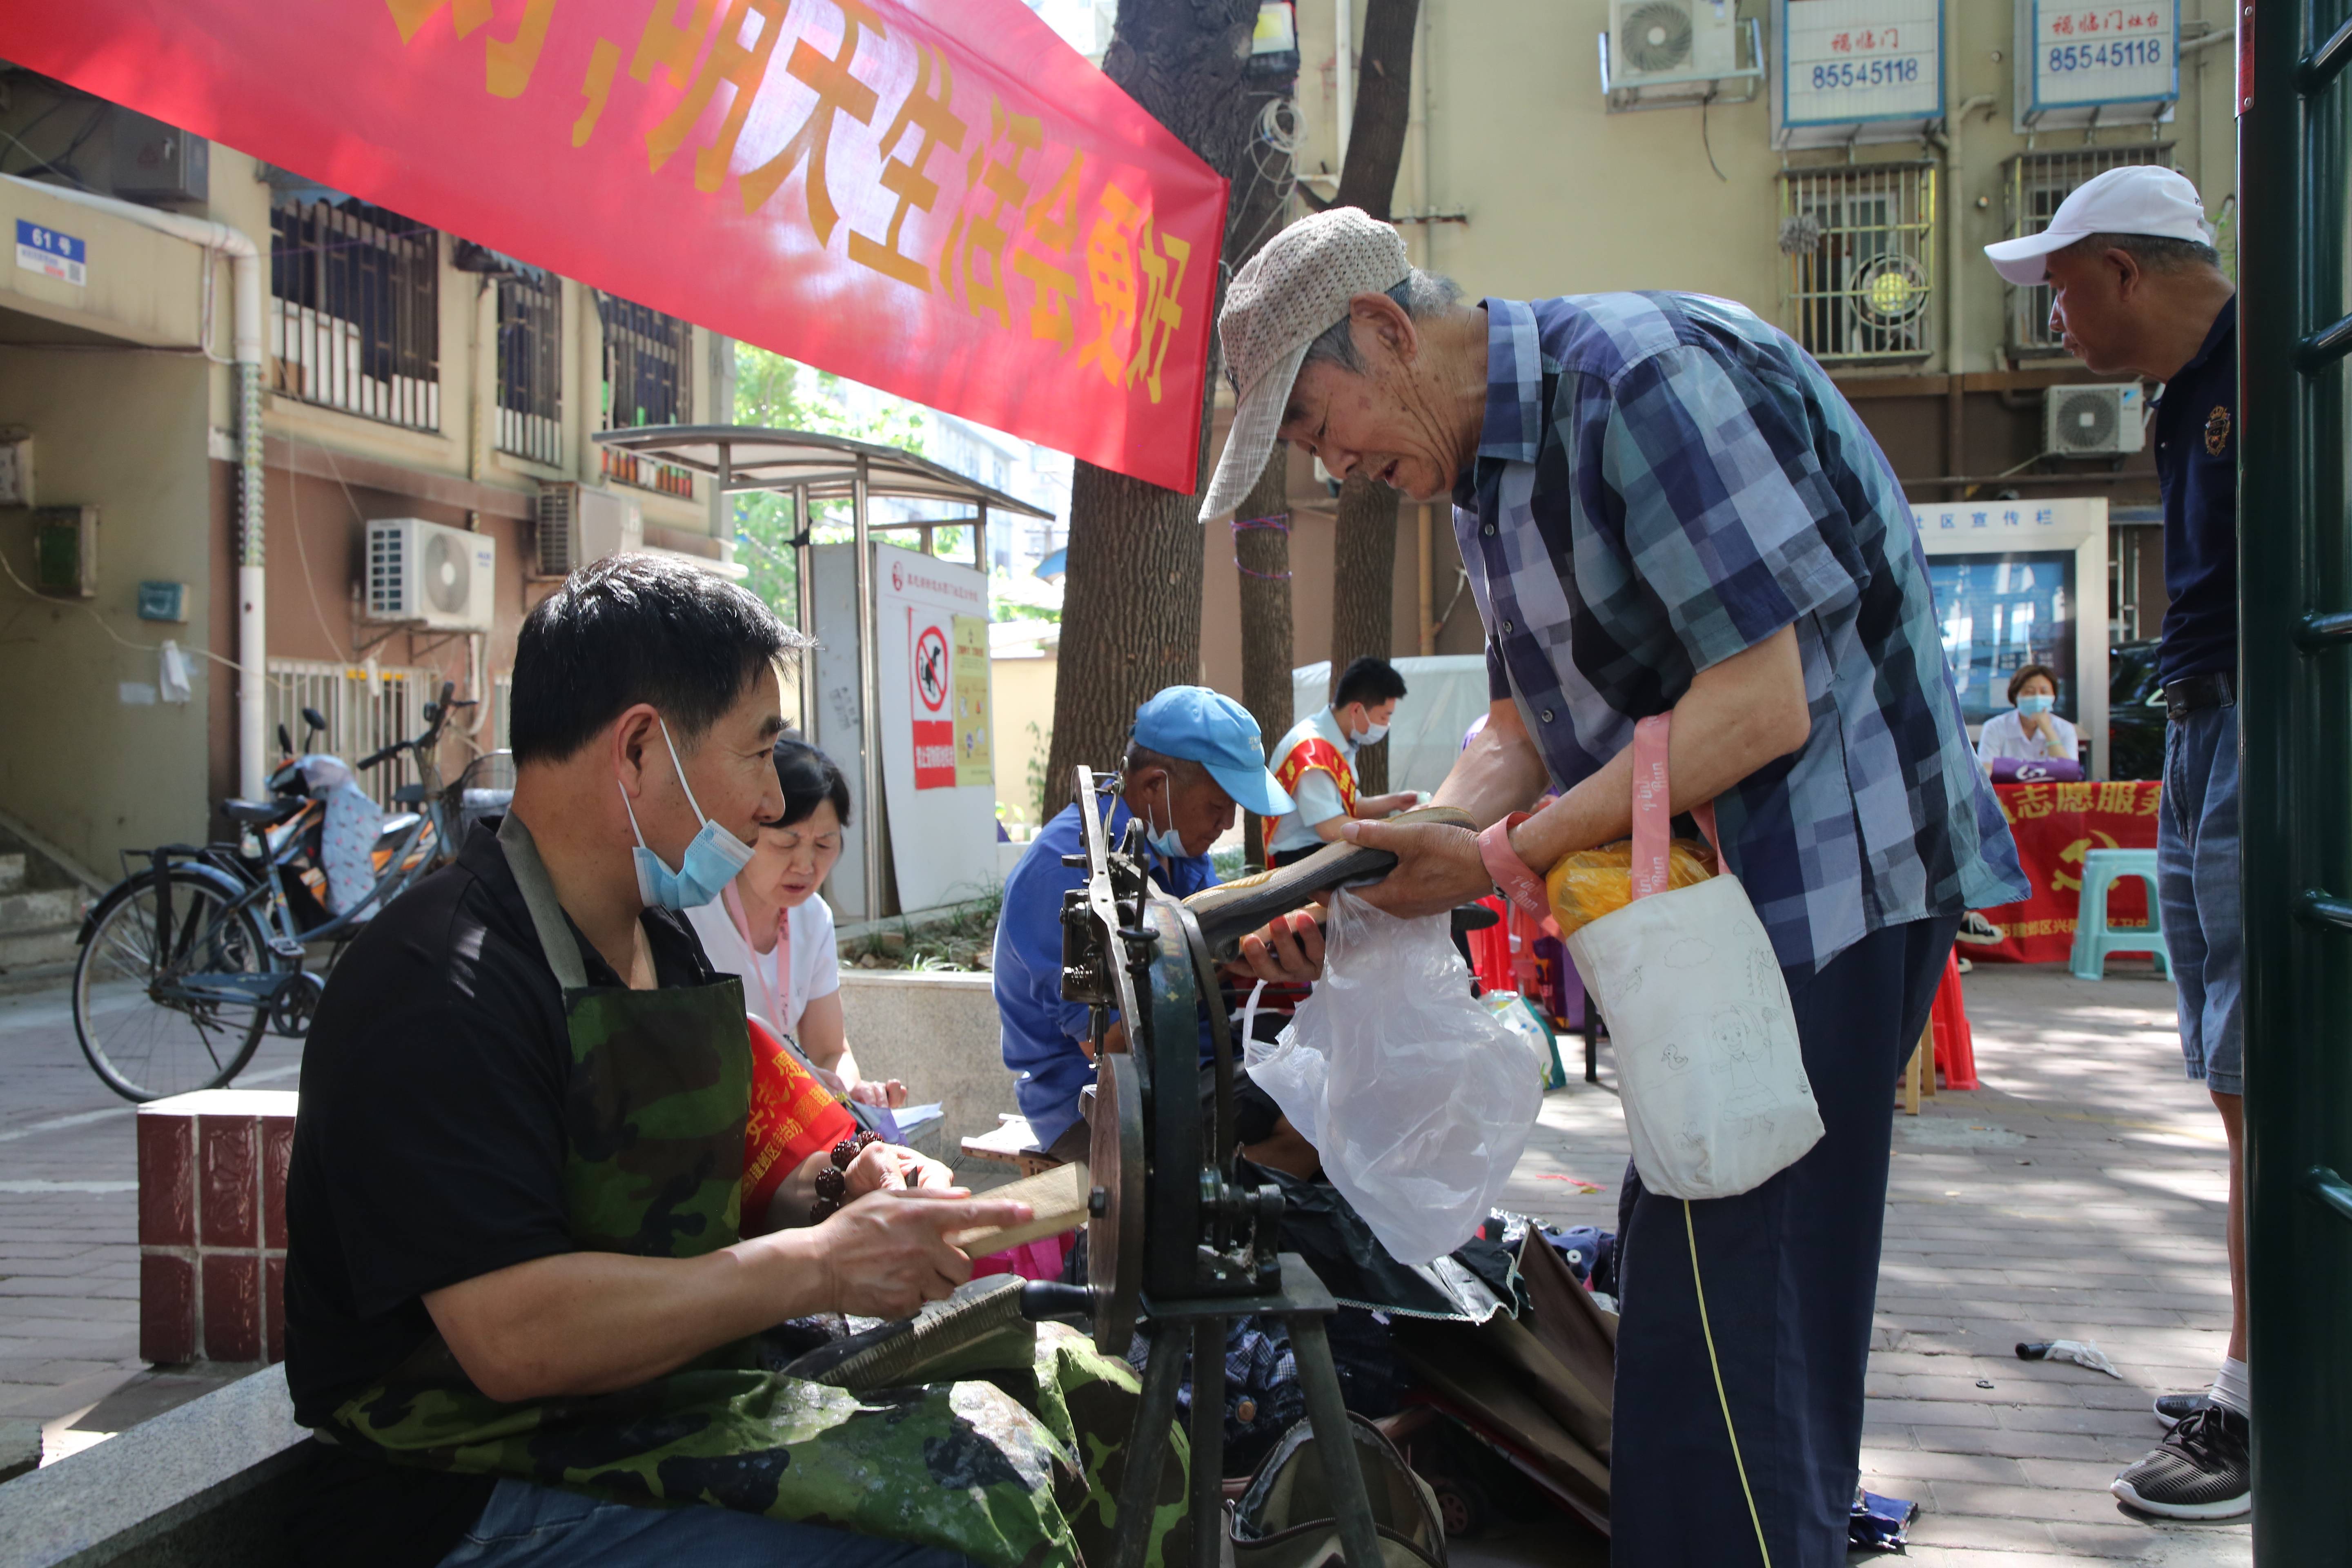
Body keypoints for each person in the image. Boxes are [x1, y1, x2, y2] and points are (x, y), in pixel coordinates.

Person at [1199, 206, 2027, 1566]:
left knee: (1740, 1315)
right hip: (1700, 919)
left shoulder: (1641, 383)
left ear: (1390, 334)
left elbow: (1760, 706)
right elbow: (1528, 719)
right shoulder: (1482, 476)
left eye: (1315, 423)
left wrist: (1502, 858)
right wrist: (1405, 848)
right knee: (1700, 1293)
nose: (1335, 463)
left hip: (1827, 880)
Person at [283, 554, 1033, 1568]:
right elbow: (517, 1339)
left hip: (649, 1412)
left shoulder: (662, 944)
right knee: (947, 1537)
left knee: (1044, 1419)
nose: (772, 801)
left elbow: (742, 1173)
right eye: (757, 753)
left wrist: (847, 1186)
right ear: (639, 747)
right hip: (465, 1488)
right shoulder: (436, 986)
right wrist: (819, 1262)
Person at [1986, 164, 2249, 1519]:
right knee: (2232, 1070)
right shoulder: (2184, 401)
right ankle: (2262, 1372)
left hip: (2268, 728)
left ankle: (2262, 1401)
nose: (2058, 326)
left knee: (2266, 1069)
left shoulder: (2273, 374)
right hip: (2206, 729)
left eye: (2066, 291)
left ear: (2127, 272)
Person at [995, 686, 1315, 1172]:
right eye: (1217, 805)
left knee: (1331, 1091)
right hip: (1097, 1103)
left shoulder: (1177, 852)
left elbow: (1217, 942)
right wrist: (1223, 961)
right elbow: (1113, 1043)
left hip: (1188, 1068)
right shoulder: (1063, 873)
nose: (1226, 823)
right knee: (1314, 1133)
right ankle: (1193, 1207)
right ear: (1153, 787)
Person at [687, 737, 906, 1110]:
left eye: (824, 845)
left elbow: (828, 1050)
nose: (806, 867)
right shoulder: (692, 913)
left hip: (784, 1121)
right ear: (745, 832)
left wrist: (855, 1090)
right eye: (787, 843)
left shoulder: (814, 917)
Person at [1263, 655, 1421, 866]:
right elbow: (1330, 827)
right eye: (1384, 717)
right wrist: (1398, 829)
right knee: (1403, 865)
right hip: (1300, 858)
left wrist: (1397, 802)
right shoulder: (1311, 750)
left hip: (1320, 847)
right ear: (1357, 710)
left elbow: (1349, 805)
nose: (1387, 725)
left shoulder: (1339, 738)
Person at [1975, 664, 2080, 770]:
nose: (2038, 697)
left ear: (2054, 696)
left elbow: (2069, 771)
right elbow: (1986, 771)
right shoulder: (1994, 727)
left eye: (2044, 692)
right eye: (2030, 692)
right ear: (2015, 696)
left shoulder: (2065, 728)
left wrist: (2048, 730)